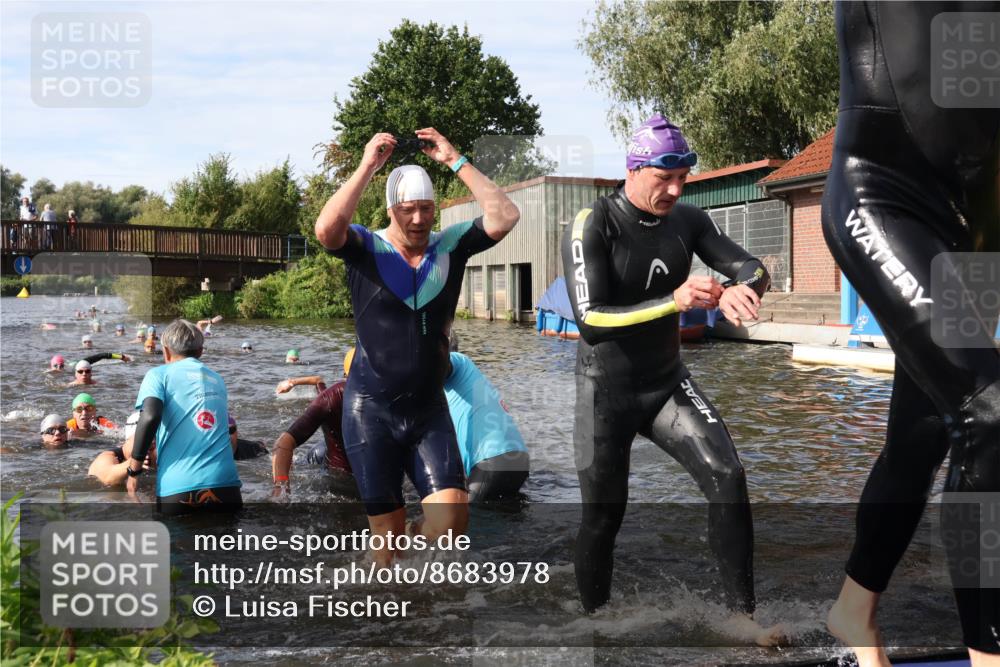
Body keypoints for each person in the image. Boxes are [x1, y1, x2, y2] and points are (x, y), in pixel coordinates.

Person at [820, 3, 1000, 665]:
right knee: (991, 410)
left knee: (924, 432)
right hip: (883, 193)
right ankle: (990, 650)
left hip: (979, 227)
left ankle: (852, 607)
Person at [561, 114, 780, 644]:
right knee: (603, 517)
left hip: (665, 387)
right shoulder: (593, 222)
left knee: (728, 477)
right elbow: (591, 320)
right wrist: (674, 301)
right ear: (634, 169)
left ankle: (743, 620)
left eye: (683, 177)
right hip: (605, 393)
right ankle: (595, 628)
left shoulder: (689, 220)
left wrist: (739, 288)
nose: (676, 189)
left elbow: (753, 265)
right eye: (664, 177)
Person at [314, 127, 519, 565]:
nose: (420, 220)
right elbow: (326, 230)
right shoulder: (367, 247)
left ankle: (410, 543)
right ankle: (385, 611)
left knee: (452, 525)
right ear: (392, 209)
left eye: (427, 209)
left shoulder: (451, 246)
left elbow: (505, 217)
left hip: (428, 410)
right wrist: (368, 165)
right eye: (409, 210)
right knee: (383, 547)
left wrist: (454, 160)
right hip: (370, 411)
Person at [126, 319, 242, 515]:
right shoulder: (217, 379)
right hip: (226, 486)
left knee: (175, 545)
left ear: (166, 351)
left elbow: (151, 416)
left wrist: (134, 470)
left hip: (179, 488)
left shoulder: (158, 375)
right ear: (200, 352)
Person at [442, 334, 529, 501]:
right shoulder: (463, 385)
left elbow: (443, 365)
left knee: (461, 519)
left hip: (494, 461)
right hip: (518, 459)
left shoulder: (457, 360)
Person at [88, 412, 157, 486]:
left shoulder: (156, 454)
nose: (151, 442)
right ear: (128, 439)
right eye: (144, 438)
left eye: (155, 438)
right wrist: (136, 461)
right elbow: (107, 478)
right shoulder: (107, 456)